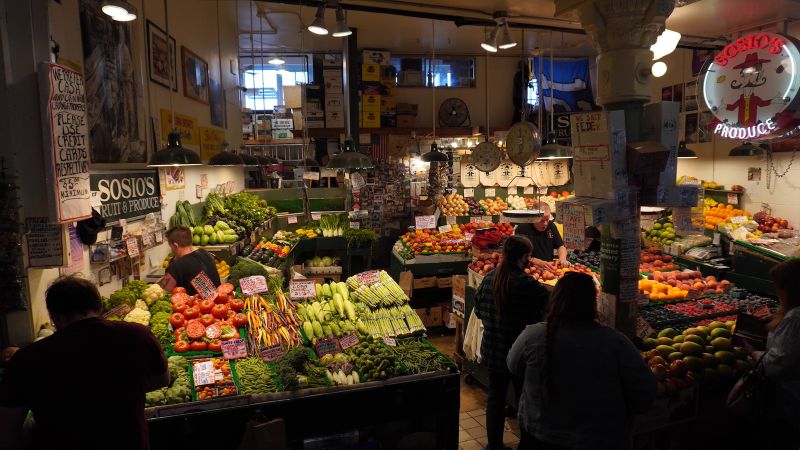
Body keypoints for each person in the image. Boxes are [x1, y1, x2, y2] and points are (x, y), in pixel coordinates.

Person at [0, 276, 168, 450]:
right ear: (99, 307)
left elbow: (7, 432)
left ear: (53, 316)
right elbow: (162, 379)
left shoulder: (27, 359)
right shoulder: (138, 335)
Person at [507, 272, 656, 450]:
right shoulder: (616, 343)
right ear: (593, 304)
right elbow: (645, 392)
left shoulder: (532, 336)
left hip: (540, 435)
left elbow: (513, 366)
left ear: (555, 300)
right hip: (597, 439)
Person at [474, 236, 550, 450]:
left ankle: (494, 445)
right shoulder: (528, 284)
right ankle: (525, 444)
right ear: (524, 257)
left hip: (493, 351)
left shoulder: (489, 278)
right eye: (529, 256)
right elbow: (546, 312)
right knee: (524, 399)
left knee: (496, 398)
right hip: (521, 354)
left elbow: (478, 311)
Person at [742, 258, 800, 449]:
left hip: (790, 401)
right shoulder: (791, 314)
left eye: (778, 287)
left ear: (789, 289)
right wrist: (778, 317)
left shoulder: (795, 319)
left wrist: (754, 353)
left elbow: (778, 364)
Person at [159, 226, 221, 295]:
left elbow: (163, 292)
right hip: (218, 301)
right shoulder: (206, 253)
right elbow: (208, 292)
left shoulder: (176, 266)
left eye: (171, 247)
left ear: (175, 245)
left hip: (196, 304)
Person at [514, 202, 570, 268]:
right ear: (533, 217)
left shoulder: (551, 226)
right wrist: (535, 261)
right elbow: (518, 255)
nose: (545, 224)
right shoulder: (522, 229)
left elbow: (560, 246)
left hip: (549, 269)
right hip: (530, 269)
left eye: (547, 220)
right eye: (542, 220)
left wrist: (562, 258)